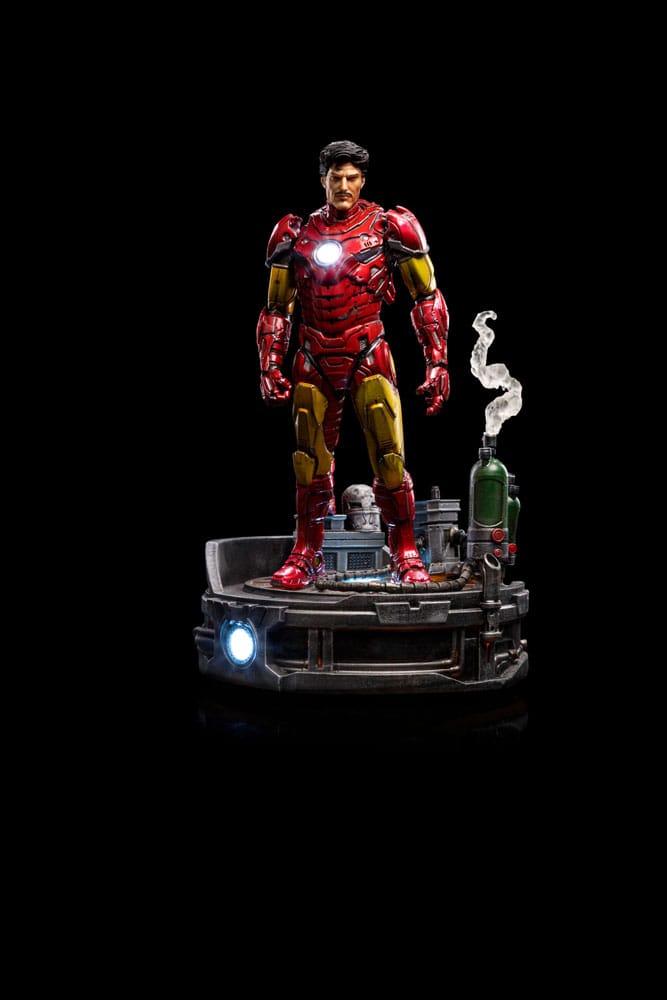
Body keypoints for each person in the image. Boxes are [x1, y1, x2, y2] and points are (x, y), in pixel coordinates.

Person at [256, 140, 450, 589]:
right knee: (308, 461)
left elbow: (426, 296)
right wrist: (269, 364)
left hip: (367, 350)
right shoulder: (295, 234)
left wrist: (437, 362)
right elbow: (277, 307)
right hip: (314, 355)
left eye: (351, 178)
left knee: (389, 453)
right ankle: (307, 553)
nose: (343, 185)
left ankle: (405, 551)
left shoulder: (389, 227)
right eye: (335, 177)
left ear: (362, 181)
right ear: (322, 180)